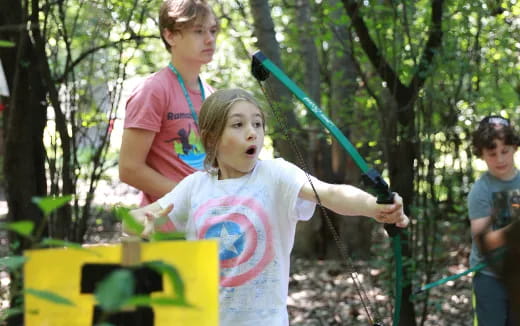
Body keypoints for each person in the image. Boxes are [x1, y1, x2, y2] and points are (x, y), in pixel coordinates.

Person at [128, 88, 410, 326]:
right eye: (238, 125)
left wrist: (375, 205)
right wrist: (138, 224)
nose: (252, 133)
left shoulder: (275, 175)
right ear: (211, 138)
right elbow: (140, 218)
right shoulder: (195, 186)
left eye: (257, 124)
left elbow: (330, 193)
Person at [119, 0, 219, 231]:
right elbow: (129, 169)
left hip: (208, 225)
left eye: (212, 31)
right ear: (170, 36)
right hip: (163, 228)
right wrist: (189, 196)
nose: (209, 39)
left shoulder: (212, 94)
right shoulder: (153, 90)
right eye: (198, 31)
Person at [468, 114, 520, 326]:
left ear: (515, 148)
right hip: (489, 277)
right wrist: (514, 231)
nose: (500, 159)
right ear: (481, 154)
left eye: (504, 151)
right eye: (492, 153)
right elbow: (484, 242)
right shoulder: (481, 190)